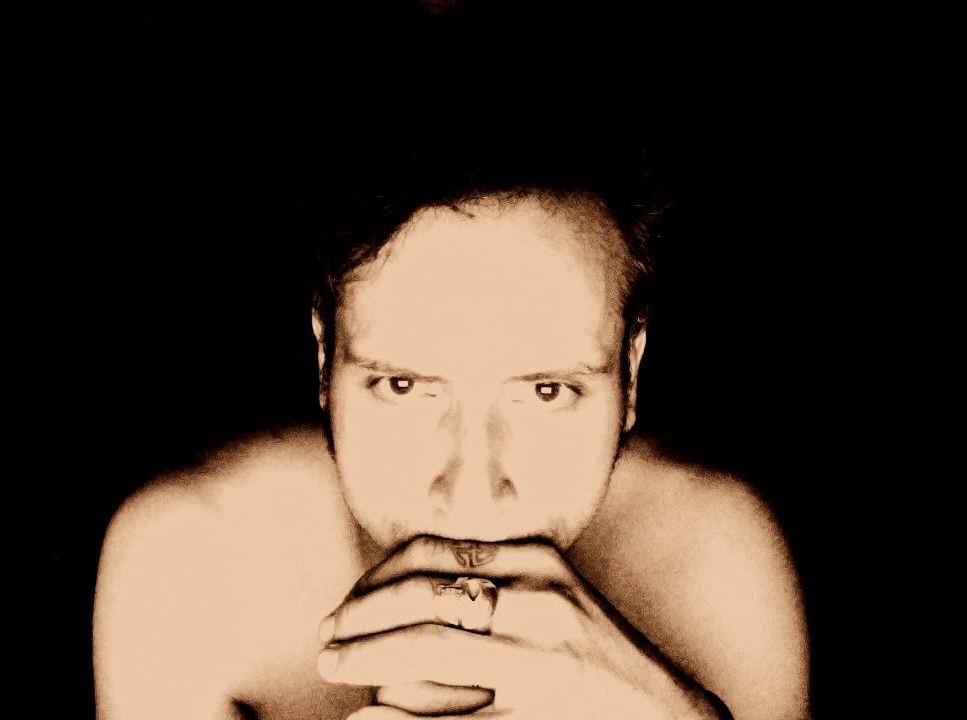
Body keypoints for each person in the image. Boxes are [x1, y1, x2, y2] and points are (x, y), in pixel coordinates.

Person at [92, 146, 810, 719]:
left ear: (631, 372)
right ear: (324, 359)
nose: (471, 492)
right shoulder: (196, 564)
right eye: (402, 387)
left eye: (548, 392)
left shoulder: (711, 555)